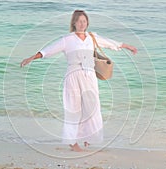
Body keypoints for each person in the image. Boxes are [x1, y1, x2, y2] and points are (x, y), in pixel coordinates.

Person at [20, 10, 137, 152]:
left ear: (87, 23)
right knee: (73, 108)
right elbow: (48, 50)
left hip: (89, 76)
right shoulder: (66, 39)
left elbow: (110, 43)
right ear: (74, 23)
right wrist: (31, 58)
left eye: (84, 21)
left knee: (92, 108)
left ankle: (89, 137)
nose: (82, 24)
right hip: (73, 76)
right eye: (79, 21)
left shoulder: (92, 37)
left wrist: (128, 46)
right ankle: (72, 142)